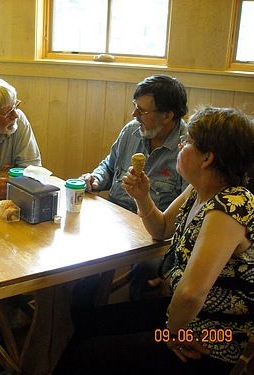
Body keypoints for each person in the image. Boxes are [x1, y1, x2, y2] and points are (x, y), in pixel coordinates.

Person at [55, 107, 253, 375]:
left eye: (188, 143)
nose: (181, 146)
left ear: (207, 158)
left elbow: (191, 293)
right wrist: (142, 196)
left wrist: (173, 334)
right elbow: (160, 229)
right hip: (186, 317)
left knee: (92, 353)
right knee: (88, 322)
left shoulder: (231, 206)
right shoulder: (199, 190)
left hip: (216, 335)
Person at [75, 75, 189, 303]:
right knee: (78, 257)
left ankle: (129, 329)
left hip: (154, 236)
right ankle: (78, 323)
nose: (134, 115)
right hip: (114, 219)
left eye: (142, 111)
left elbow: (184, 216)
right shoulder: (132, 131)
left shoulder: (186, 150)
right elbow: (110, 163)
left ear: (168, 115)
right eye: (134, 107)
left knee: (146, 269)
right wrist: (95, 178)